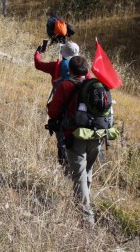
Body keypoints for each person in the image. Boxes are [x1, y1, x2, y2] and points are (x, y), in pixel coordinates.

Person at [47, 56, 99, 226]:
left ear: (69, 70)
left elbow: (53, 112)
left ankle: (86, 217)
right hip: (97, 135)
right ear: (86, 70)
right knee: (88, 171)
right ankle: (86, 202)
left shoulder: (65, 85)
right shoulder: (94, 84)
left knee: (78, 175)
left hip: (75, 135)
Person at [35, 42, 89, 169]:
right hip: (82, 117)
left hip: (62, 115)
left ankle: (65, 167)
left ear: (63, 52)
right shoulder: (84, 71)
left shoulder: (57, 66)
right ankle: (79, 170)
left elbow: (38, 64)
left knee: (63, 144)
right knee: (79, 149)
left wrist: (38, 52)